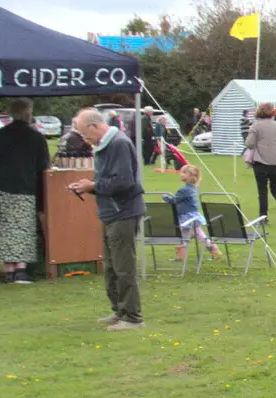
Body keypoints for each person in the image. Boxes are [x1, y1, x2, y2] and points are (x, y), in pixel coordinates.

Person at [70, 108, 146, 329]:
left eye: (85, 134)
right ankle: (119, 310)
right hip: (110, 212)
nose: (85, 139)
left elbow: (124, 182)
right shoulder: (105, 146)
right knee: (111, 266)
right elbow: (108, 180)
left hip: (123, 212)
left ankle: (132, 317)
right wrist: (89, 187)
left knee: (124, 267)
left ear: (95, 126)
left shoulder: (118, 144)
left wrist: (93, 186)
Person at [0, 98, 50, 284]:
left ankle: (8, 270)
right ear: (29, 113)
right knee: (22, 228)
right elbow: (43, 166)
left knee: (3, 229)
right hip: (24, 186)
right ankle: (21, 269)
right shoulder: (36, 137)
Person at [162, 164, 221, 262]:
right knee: (196, 234)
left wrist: (165, 197)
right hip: (192, 215)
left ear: (191, 176)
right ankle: (213, 250)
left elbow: (174, 200)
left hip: (187, 216)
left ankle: (182, 254)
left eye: (184, 173)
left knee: (186, 235)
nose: (181, 174)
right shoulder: (193, 188)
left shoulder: (184, 190)